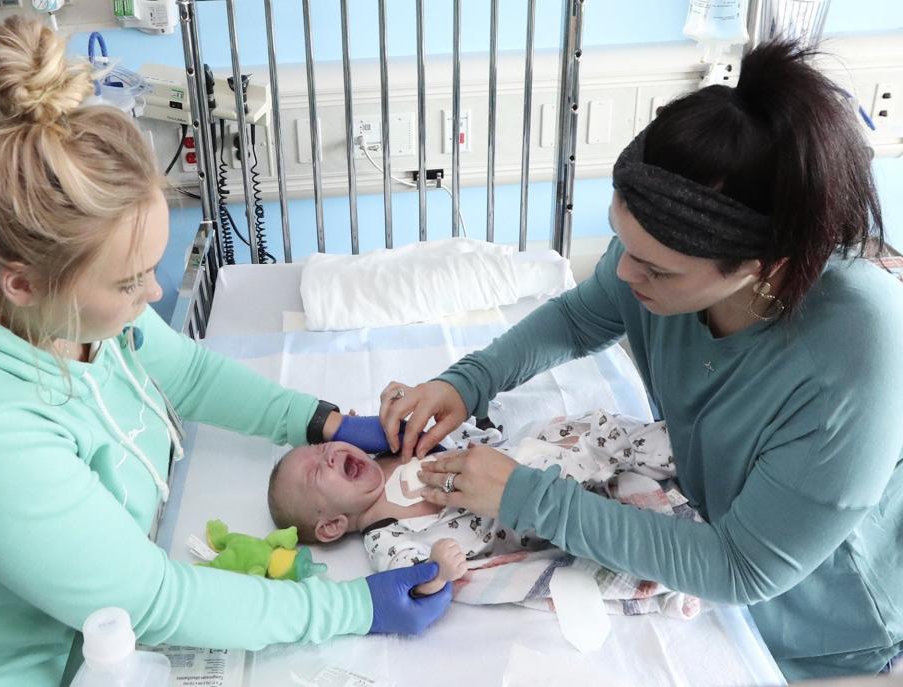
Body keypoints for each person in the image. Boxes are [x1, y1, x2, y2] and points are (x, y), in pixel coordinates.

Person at [0, 17, 448, 687]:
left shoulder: (61, 307)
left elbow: (185, 369)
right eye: (129, 283)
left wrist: (320, 419)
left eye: (152, 267)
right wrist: (351, 604)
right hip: (34, 665)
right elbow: (148, 600)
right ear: (22, 281)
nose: (153, 294)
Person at [380, 40, 903, 682]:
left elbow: (743, 569)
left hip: (823, 603)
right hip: (706, 527)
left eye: (654, 267)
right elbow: (579, 316)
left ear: (760, 270)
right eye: (620, 242)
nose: (625, 273)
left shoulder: (855, 353)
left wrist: (527, 496)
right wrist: (469, 381)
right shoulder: (663, 253)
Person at [267, 411, 697, 617]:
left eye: (322, 449)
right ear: (331, 525)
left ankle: (692, 451)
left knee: (598, 433)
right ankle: (675, 502)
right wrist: (437, 569)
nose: (327, 456)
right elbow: (407, 579)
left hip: (526, 457)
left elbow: (437, 427)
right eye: (314, 473)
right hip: (522, 519)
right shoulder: (384, 535)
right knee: (600, 508)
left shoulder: (394, 450)